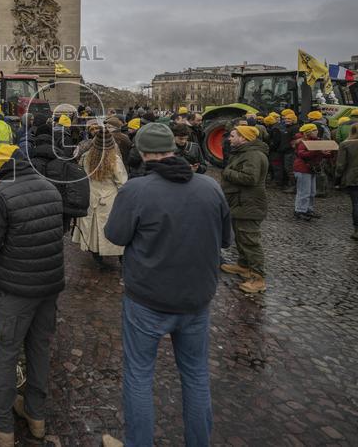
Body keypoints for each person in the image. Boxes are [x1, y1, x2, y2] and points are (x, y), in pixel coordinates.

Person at [102, 123, 232, 447]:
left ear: (143, 154)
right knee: (196, 376)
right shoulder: (210, 187)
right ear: (174, 149)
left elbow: (115, 236)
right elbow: (225, 239)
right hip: (197, 299)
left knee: (139, 376)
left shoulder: (136, 190)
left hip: (147, 299)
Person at [0, 145, 65, 447]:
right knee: (39, 347)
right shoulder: (51, 187)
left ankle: (1, 423)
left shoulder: (1, 194)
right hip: (50, 284)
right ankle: (35, 414)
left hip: (16, 288)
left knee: (6, 351)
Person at [219, 125, 270, 294]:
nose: (229, 138)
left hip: (249, 204)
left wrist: (228, 173)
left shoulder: (253, 155)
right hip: (241, 203)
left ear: (244, 138)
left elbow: (250, 178)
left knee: (250, 240)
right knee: (241, 237)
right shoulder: (244, 153)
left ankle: (258, 278)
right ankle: (244, 266)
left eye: (233, 136)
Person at [73, 125, 127, 268]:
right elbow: (122, 182)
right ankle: (120, 257)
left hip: (92, 196)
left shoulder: (86, 157)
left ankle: (97, 257)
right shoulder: (114, 159)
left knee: (93, 229)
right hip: (110, 199)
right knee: (112, 228)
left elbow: (82, 177)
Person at [292, 123, 331, 221]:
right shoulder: (302, 142)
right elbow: (302, 154)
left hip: (311, 169)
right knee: (304, 192)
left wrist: (327, 153)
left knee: (312, 192)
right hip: (302, 169)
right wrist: (318, 151)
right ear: (308, 132)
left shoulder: (316, 141)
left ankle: (308, 209)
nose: (317, 131)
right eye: (314, 130)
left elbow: (318, 154)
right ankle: (300, 210)